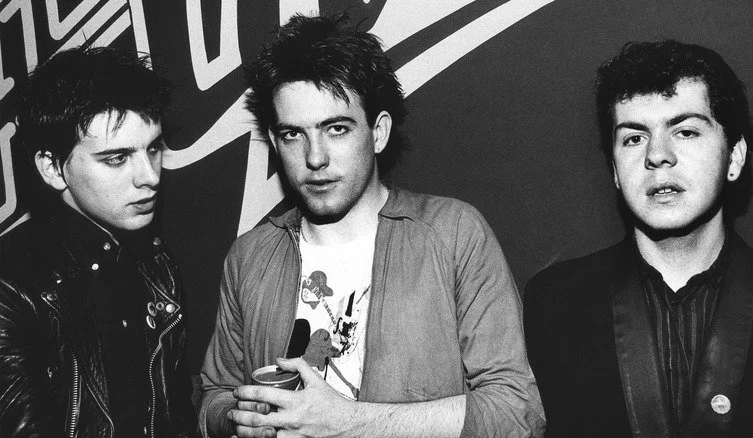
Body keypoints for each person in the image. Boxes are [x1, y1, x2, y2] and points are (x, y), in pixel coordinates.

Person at [199, 14, 544, 438]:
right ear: (274, 142)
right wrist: (240, 420)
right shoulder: (250, 256)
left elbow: (516, 412)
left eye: (336, 129)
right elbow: (213, 394)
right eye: (293, 135)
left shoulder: (454, 234)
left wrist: (350, 423)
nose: (315, 158)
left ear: (378, 133)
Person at [524, 40, 753, 437]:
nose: (658, 155)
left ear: (735, 157)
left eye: (686, 131)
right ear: (614, 170)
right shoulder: (554, 303)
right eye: (634, 137)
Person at [0, 46, 196, 437]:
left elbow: (175, 418)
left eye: (153, 149)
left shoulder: (156, 266)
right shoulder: (10, 286)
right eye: (116, 158)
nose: (150, 177)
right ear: (53, 168)